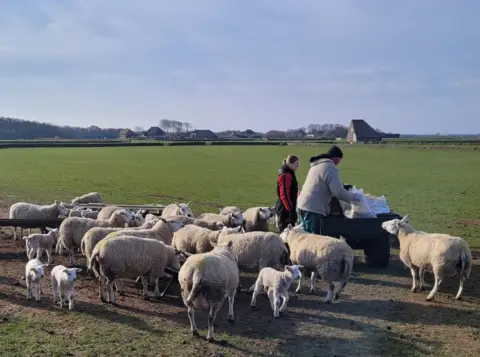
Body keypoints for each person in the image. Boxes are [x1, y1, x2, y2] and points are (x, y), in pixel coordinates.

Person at [296, 145, 361, 234]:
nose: (339, 162)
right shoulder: (330, 167)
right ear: (334, 157)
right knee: (313, 241)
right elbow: (338, 192)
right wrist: (355, 198)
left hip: (302, 205)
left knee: (304, 240)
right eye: (339, 159)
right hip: (313, 210)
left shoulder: (317, 165)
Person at [275, 154, 300, 232]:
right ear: (289, 163)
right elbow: (284, 195)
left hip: (287, 207)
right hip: (285, 210)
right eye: (296, 164)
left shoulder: (290, 172)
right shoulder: (286, 174)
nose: (298, 166)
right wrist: (290, 211)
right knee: (285, 233)